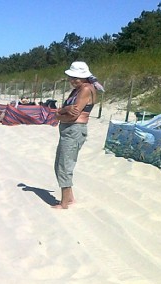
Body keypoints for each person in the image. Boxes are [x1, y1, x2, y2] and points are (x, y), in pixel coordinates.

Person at [52, 61, 100, 209]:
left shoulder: (85, 89)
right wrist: (64, 110)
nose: (72, 81)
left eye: (75, 78)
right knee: (60, 164)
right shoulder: (79, 89)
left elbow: (72, 116)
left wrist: (58, 116)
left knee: (64, 165)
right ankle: (69, 198)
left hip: (74, 129)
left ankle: (64, 203)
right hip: (69, 130)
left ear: (84, 77)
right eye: (71, 77)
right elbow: (64, 110)